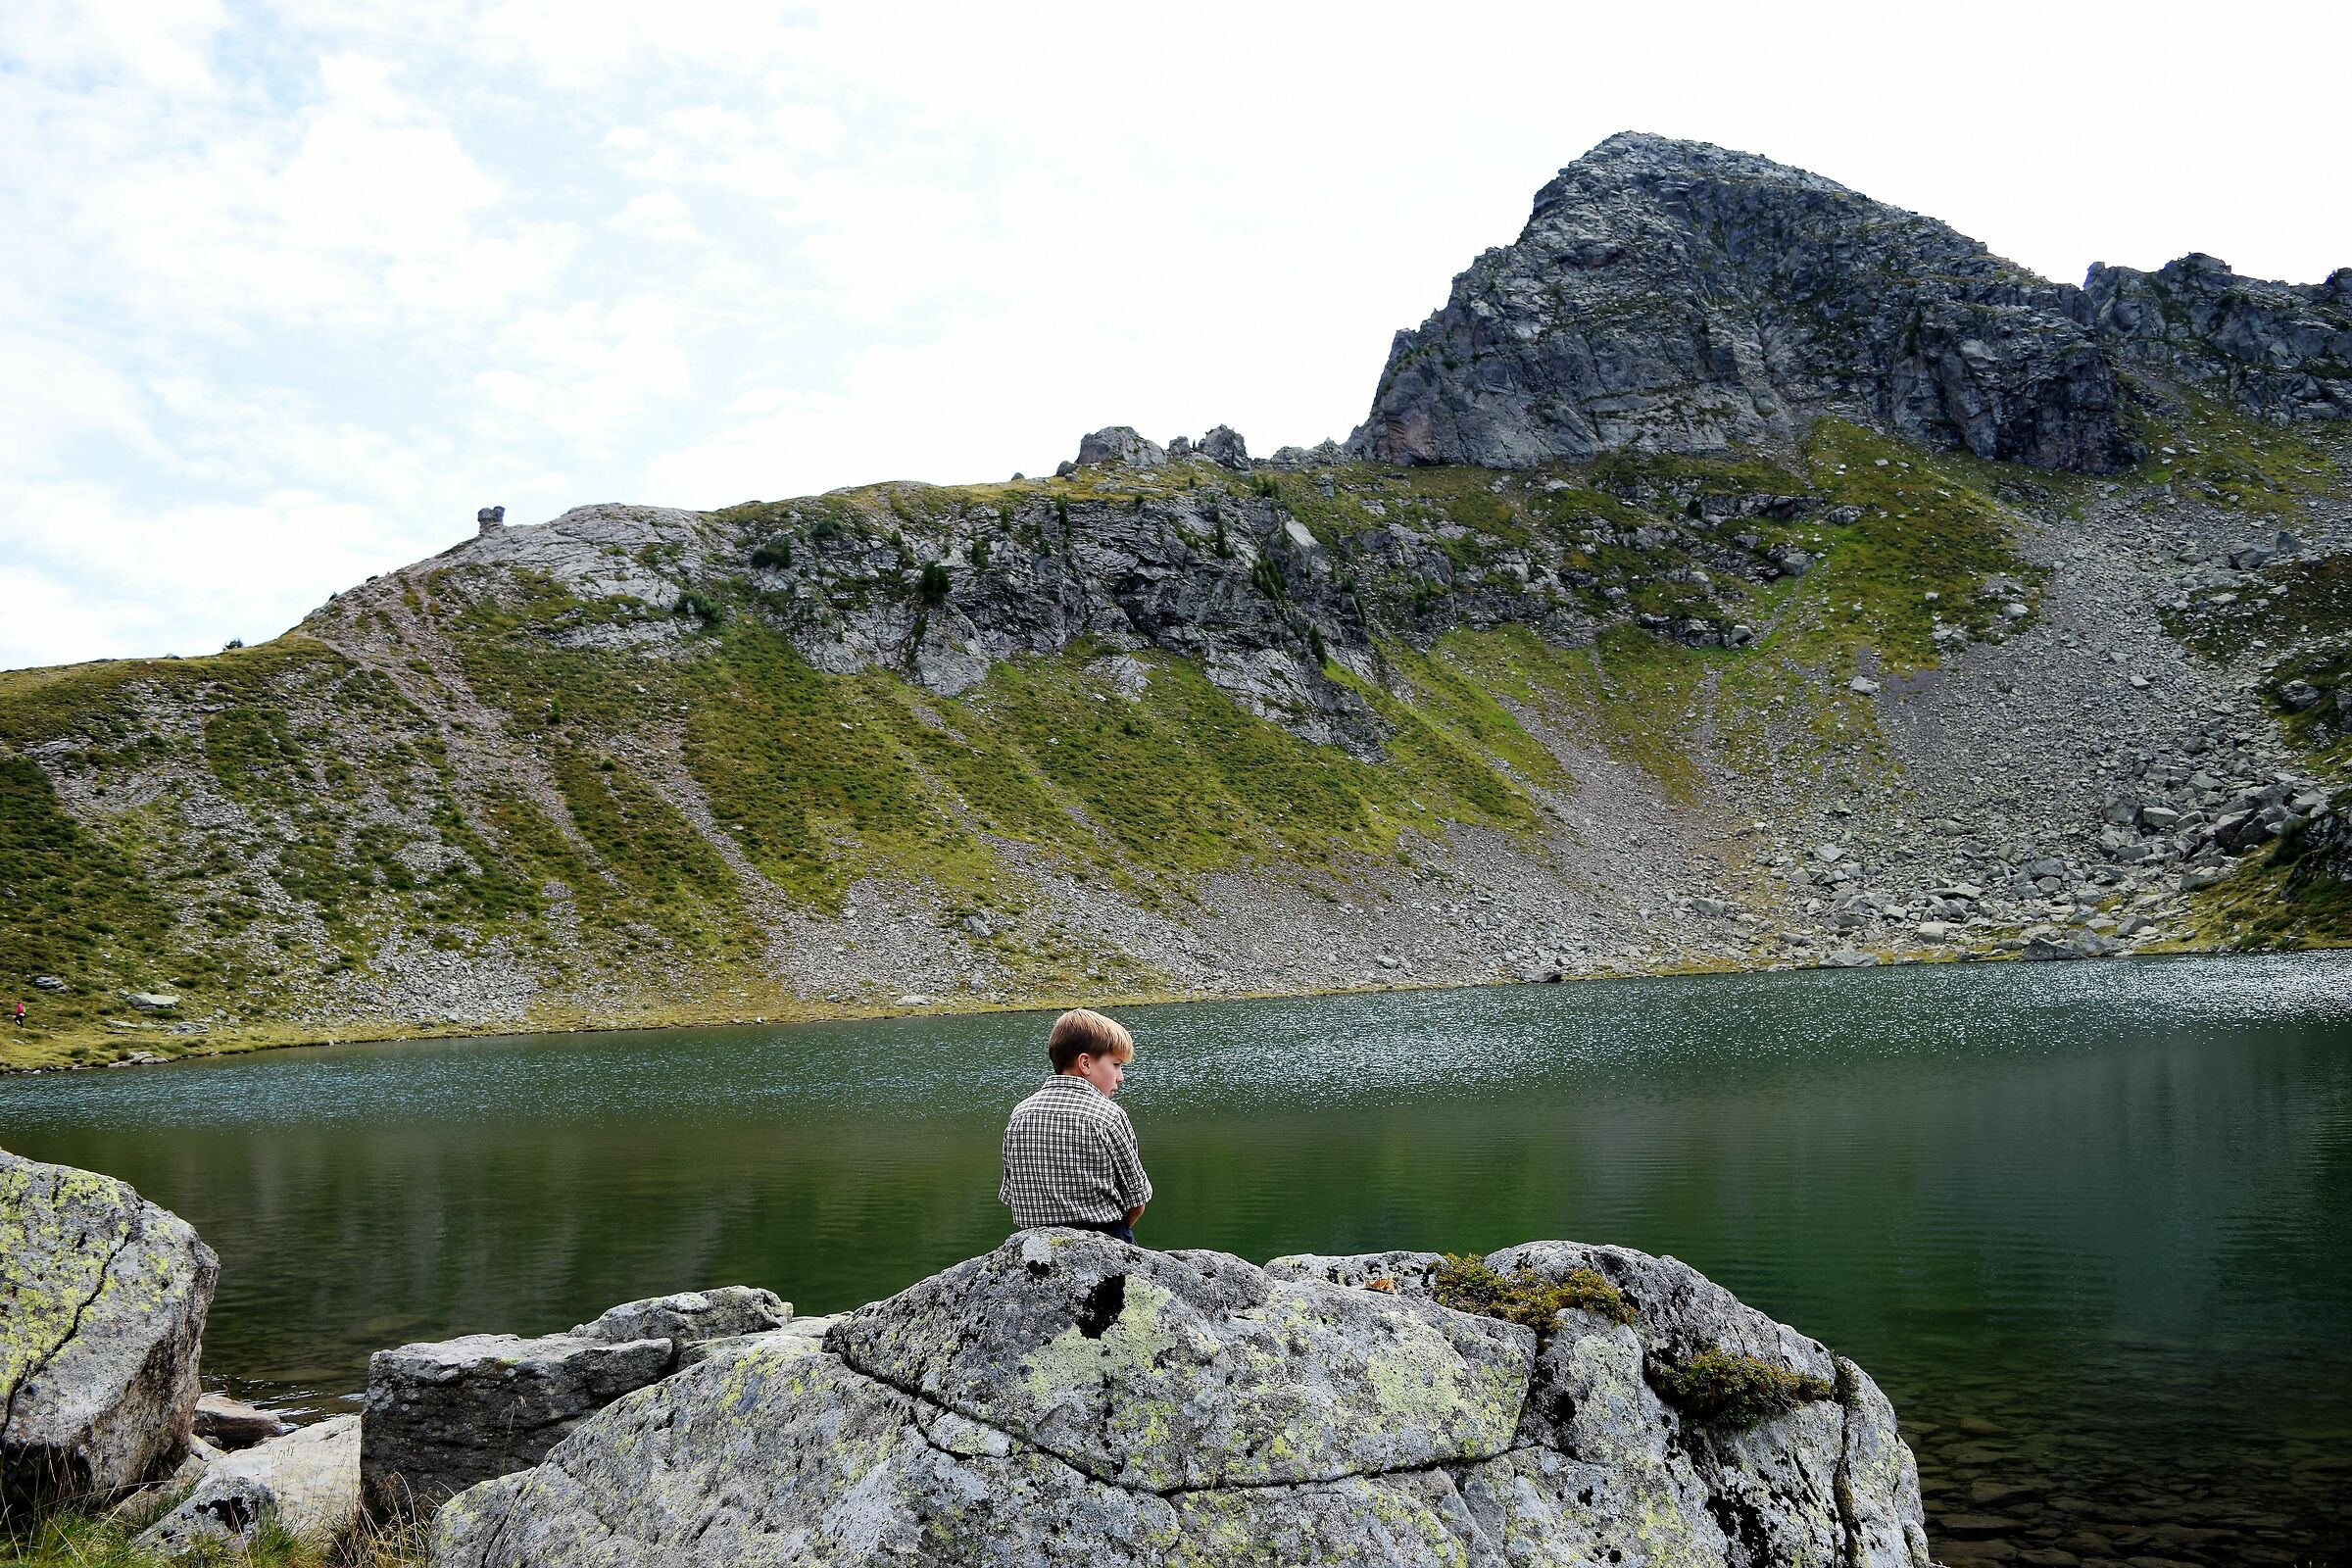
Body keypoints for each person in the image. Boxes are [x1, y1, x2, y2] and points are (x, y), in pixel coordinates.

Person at [1000, 1007, 1152, 1243]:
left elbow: (1013, 1193)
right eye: (1116, 1065)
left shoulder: (1020, 1114)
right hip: (1105, 1238)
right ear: (1085, 1063)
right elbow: (1137, 1201)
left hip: (1035, 1243)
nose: (1120, 1077)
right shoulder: (1108, 1116)